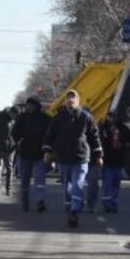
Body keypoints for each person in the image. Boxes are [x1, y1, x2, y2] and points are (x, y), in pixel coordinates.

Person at [43, 89, 103, 228]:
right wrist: (47, 151)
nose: (71, 102)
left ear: (78, 101)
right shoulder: (58, 118)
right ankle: (70, 208)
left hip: (81, 157)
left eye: (73, 99)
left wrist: (99, 155)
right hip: (63, 158)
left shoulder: (86, 117)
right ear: (65, 102)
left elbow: (94, 136)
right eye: (68, 99)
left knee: (77, 184)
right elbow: (50, 135)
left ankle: (75, 211)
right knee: (67, 187)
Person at [11, 96, 51, 212]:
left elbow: (50, 134)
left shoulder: (45, 119)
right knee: (24, 179)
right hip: (24, 154)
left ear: (37, 106)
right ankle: (25, 202)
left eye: (31, 104)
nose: (28, 107)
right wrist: (19, 141)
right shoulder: (22, 118)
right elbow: (14, 132)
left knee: (40, 179)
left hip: (40, 154)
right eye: (27, 104)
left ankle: (40, 201)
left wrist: (48, 149)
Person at [99, 111, 130, 213]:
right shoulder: (103, 128)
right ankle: (107, 204)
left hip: (118, 160)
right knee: (108, 182)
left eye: (113, 116)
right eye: (110, 116)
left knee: (115, 182)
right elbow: (99, 141)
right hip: (107, 160)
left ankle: (113, 203)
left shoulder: (123, 128)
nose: (112, 119)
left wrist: (124, 145)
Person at [0, 106, 15, 197]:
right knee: (9, 169)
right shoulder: (11, 121)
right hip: (8, 148)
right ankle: (8, 189)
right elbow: (13, 135)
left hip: (1, 147)